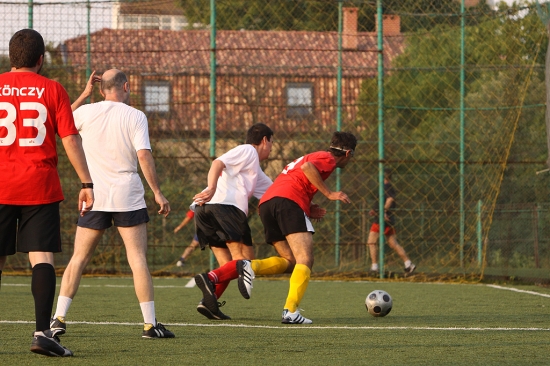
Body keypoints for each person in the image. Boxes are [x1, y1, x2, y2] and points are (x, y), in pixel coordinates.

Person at [51, 69, 175, 339]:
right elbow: (143, 156)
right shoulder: (136, 116)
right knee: (138, 259)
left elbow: (59, 121)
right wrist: (157, 192)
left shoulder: (86, 112)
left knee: (79, 258)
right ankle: (149, 325)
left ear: (100, 89)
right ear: (126, 86)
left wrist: (83, 95)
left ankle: (58, 319)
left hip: (94, 194)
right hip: (127, 194)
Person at [0, 29, 94, 357]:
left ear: (12, 57)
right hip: (38, 185)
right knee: (41, 257)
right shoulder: (53, 89)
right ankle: (42, 333)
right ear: (41, 60)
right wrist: (86, 183)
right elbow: (70, 138)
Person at [210, 132, 357, 324]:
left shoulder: (313, 155)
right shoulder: (327, 158)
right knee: (306, 258)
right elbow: (307, 168)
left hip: (268, 205)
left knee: (290, 261)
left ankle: (248, 266)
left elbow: (297, 178)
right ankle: (290, 311)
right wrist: (329, 194)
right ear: (347, 153)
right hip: (287, 202)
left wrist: (308, 207)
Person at [192, 123, 274, 320]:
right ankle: (210, 278)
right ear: (264, 140)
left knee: (226, 265)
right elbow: (217, 163)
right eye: (272, 143)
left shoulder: (255, 172)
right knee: (244, 261)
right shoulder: (248, 151)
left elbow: (275, 194)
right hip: (225, 208)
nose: (271, 147)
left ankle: (208, 303)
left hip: (204, 211)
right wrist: (211, 187)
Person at [367, 169, 416, 276]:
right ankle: (408, 264)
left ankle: (374, 267)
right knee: (393, 243)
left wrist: (383, 212)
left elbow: (390, 199)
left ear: (383, 177)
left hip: (382, 219)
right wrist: (375, 210)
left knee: (371, 241)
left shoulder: (386, 187)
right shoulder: (388, 187)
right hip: (387, 219)